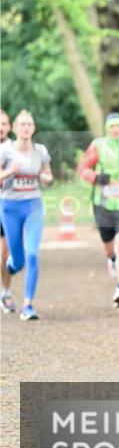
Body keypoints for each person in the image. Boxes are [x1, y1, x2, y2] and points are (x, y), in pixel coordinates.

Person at [76, 112, 119, 308]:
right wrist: (97, 178)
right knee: (110, 247)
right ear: (106, 129)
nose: (115, 129)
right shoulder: (98, 145)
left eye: (118, 125)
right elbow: (82, 170)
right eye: (111, 126)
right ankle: (111, 259)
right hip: (102, 203)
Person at [0, 110, 54, 321]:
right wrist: (10, 171)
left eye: (29, 124)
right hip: (9, 208)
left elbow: (48, 176)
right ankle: (12, 265)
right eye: (22, 124)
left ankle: (27, 305)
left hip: (33, 206)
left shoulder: (40, 151)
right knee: (18, 262)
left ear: (34, 128)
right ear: (15, 128)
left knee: (32, 254)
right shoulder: (5, 151)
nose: (26, 128)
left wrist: (45, 177)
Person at [0, 110, 14, 314]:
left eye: (3, 124)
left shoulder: (15, 149)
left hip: (8, 204)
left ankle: (6, 292)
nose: (0, 128)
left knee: (4, 255)